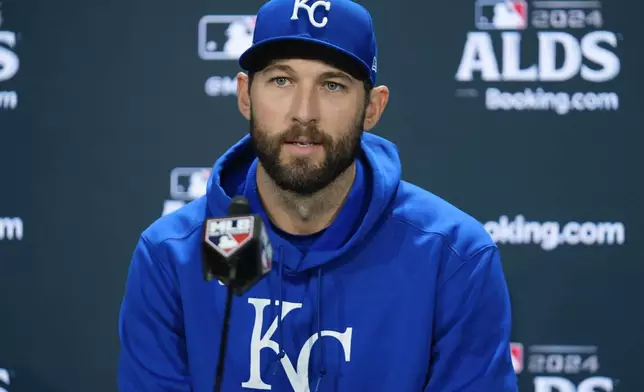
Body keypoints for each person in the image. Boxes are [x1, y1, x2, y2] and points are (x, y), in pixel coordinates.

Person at [117, 0, 518, 391]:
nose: (304, 111)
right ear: (245, 96)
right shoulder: (172, 254)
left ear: (372, 108)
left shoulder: (453, 257)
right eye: (281, 81)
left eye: (332, 85)